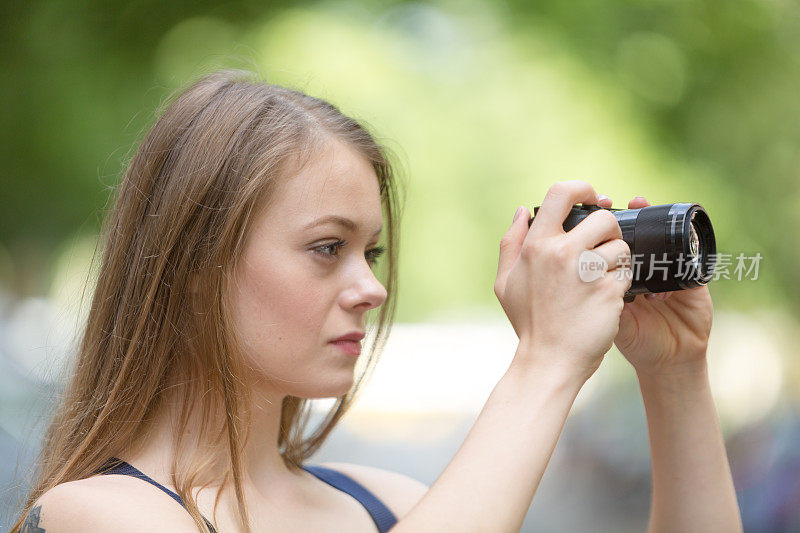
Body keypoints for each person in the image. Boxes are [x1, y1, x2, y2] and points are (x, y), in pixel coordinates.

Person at [12, 69, 742, 532]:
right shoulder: (100, 514)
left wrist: (675, 377)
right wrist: (546, 360)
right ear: (198, 265)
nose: (371, 288)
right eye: (328, 248)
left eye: (372, 252)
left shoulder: (387, 503)